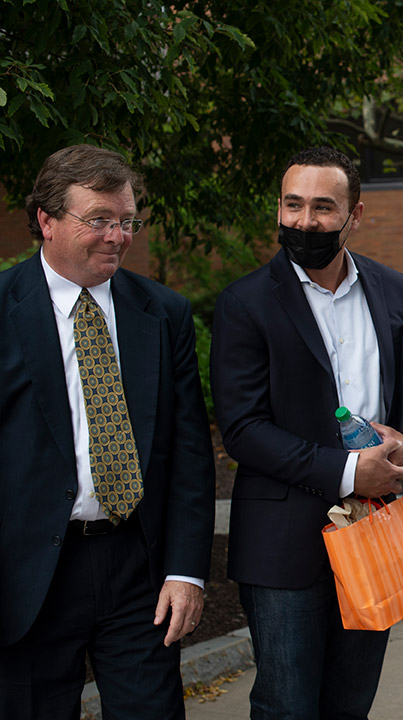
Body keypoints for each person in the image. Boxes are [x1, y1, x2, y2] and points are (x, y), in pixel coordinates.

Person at [210, 146, 403, 719]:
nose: (304, 221)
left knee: (351, 704)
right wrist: (344, 470)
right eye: (292, 205)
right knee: (287, 707)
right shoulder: (243, 302)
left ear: (354, 215)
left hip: (377, 526)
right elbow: (243, 429)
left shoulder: (394, 289)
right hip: (283, 541)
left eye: (322, 207)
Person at [0, 145, 215, 718]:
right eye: (97, 220)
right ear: (46, 221)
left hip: (136, 572)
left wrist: (186, 570)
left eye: (125, 220)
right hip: (28, 577)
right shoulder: (3, 309)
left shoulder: (163, 313)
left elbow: (189, 454)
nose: (117, 236)